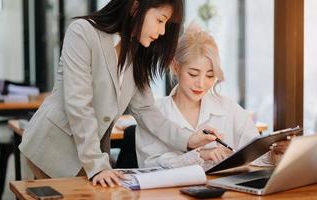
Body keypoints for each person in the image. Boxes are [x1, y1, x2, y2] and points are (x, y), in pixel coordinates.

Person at [19, 0, 218, 188]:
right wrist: (97, 166)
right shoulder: (83, 32)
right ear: (135, 5)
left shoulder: (135, 51)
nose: (162, 31)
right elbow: (78, 105)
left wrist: (189, 139)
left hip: (91, 156)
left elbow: (147, 111)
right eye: (160, 20)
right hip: (52, 150)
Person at [136, 24, 287, 169]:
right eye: (193, 74)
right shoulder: (154, 113)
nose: (201, 84)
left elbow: (255, 155)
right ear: (176, 67)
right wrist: (200, 155)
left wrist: (274, 153)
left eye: (210, 75)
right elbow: (149, 165)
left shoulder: (227, 108)